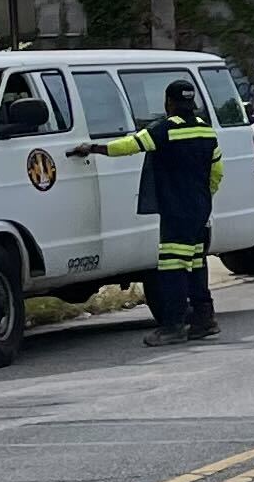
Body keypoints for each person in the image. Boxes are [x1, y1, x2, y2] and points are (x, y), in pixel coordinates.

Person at [68, 80, 223, 347]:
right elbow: (217, 171)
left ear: (169, 102)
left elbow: (130, 145)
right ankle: (204, 320)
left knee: (173, 267)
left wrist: (93, 148)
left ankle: (173, 326)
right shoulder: (206, 129)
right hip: (199, 208)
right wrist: (201, 197)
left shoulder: (165, 129)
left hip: (176, 210)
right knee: (196, 263)